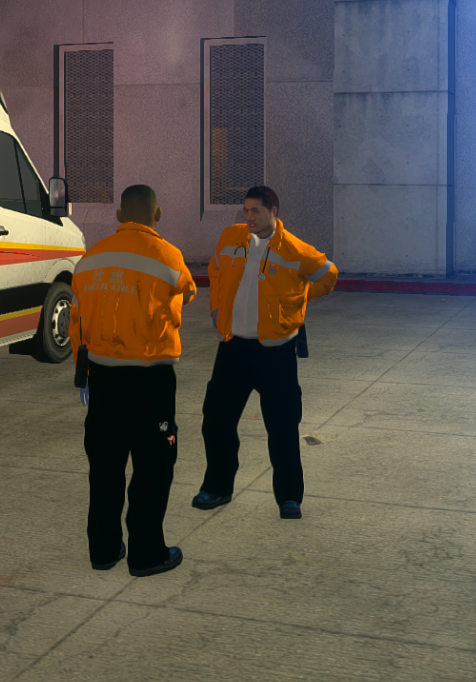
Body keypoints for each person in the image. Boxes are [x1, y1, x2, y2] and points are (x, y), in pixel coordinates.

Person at [70, 184, 197, 577]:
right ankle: (146, 554)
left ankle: (104, 550)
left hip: (103, 377)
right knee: (153, 466)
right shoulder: (169, 256)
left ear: (119, 215)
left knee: (104, 467)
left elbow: (77, 321)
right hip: (150, 380)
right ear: (157, 215)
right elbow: (188, 293)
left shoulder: (89, 260)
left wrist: (84, 370)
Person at [195, 186, 338, 519]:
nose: (248, 217)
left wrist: (296, 301)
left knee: (283, 427)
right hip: (233, 348)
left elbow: (327, 276)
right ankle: (216, 488)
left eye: (255, 211)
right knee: (215, 422)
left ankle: (289, 498)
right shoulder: (230, 237)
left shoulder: (295, 249)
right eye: (245, 210)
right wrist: (217, 308)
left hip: (276, 352)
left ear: (273, 211)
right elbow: (215, 271)